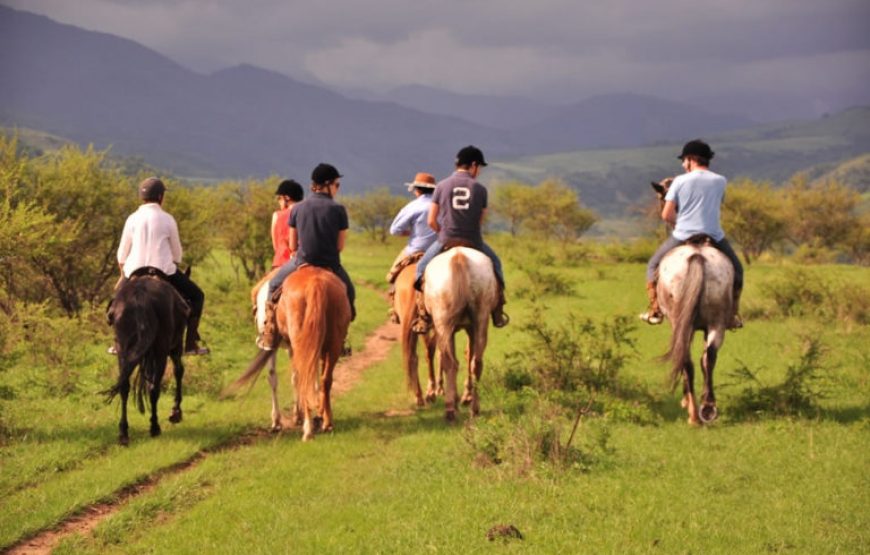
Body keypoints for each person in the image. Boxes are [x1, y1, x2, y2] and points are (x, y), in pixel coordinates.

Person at [640, 139, 744, 329]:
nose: (682, 164)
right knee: (738, 270)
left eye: (684, 160)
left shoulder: (679, 181)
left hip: (683, 234)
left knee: (652, 265)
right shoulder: (720, 181)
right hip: (714, 235)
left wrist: (679, 223)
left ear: (691, 159)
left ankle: (655, 310)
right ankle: (732, 315)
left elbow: (666, 215)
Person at [412, 145, 509, 333]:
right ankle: (498, 311)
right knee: (496, 265)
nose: (479, 171)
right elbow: (479, 221)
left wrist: (443, 233)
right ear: (473, 165)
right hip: (473, 240)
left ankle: (423, 314)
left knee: (421, 268)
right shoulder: (480, 189)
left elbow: (432, 220)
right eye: (479, 167)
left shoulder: (441, 186)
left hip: (446, 240)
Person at [261, 163, 355, 350]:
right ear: (327, 185)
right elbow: (340, 246)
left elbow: (292, 244)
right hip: (331, 265)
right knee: (350, 293)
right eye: (337, 184)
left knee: (273, 286)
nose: (337, 189)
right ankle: (341, 338)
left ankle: (270, 333)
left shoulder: (297, 209)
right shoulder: (338, 210)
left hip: (301, 262)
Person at [114, 177, 209, 355]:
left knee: (116, 303)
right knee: (197, 296)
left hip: (133, 270)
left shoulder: (131, 219)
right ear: (160, 197)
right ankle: (190, 343)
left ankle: (117, 341)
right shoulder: (168, 219)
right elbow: (177, 254)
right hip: (164, 271)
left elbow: (121, 254)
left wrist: (123, 275)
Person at [385, 172, 438, 324]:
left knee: (393, 274)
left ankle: (395, 308)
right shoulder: (440, 206)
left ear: (416, 190)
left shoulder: (412, 206)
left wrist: (411, 232)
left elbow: (394, 230)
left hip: (415, 250)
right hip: (438, 251)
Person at [271, 179, 305, 268]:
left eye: (279, 198)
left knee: (272, 282)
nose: (278, 202)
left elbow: (276, 247)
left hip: (281, 262)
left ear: (287, 198)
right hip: (304, 262)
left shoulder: (277, 216)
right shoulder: (307, 214)